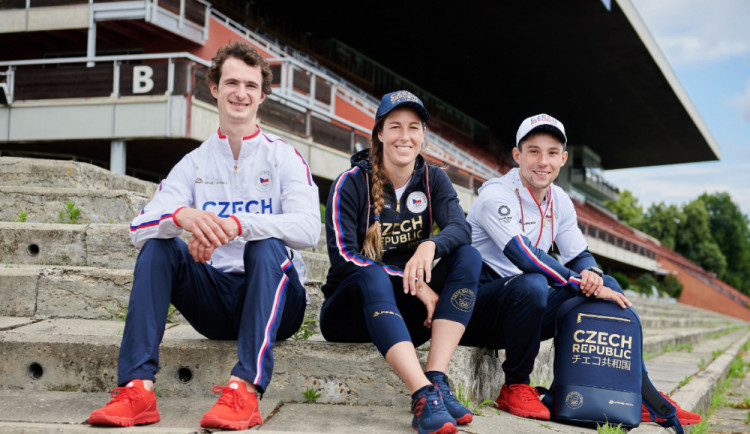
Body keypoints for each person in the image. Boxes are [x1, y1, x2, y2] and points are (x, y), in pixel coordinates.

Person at [87, 41, 320, 430]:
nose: (240, 93)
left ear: (262, 95)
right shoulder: (193, 163)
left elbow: (309, 228)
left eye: (250, 85)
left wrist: (240, 225)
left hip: (280, 302)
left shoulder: (283, 157)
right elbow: (138, 227)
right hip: (215, 301)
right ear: (214, 88)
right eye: (231, 82)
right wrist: (183, 216)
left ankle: (245, 390)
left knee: (265, 245)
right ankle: (137, 389)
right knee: (158, 247)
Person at [463, 113, 701, 425]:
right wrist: (579, 282)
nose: (542, 161)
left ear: (562, 158)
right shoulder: (495, 195)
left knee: (609, 285)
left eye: (551, 153)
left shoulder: (559, 199)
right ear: (517, 155)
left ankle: (639, 394)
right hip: (476, 308)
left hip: (523, 312)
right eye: (533, 151)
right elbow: (523, 255)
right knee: (534, 282)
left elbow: (580, 255)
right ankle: (515, 386)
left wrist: (592, 275)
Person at [321, 90, 482, 434]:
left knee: (468, 256)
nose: (404, 137)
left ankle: (437, 379)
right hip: (349, 313)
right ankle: (421, 394)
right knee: (373, 275)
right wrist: (414, 282)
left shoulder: (433, 178)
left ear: (423, 135)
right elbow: (343, 258)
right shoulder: (350, 183)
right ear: (380, 133)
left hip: (405, 312)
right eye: (395, 127)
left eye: (413, 127)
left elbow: (460, 229)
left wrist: (431, 246)